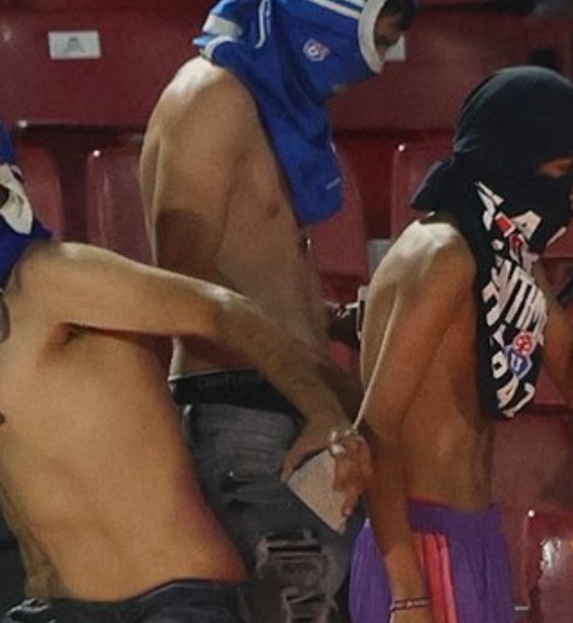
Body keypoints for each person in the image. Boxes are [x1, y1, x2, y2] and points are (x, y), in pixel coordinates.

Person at [141, 0, 418, 623]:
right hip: (241, 411)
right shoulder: (212, 97)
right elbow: (185, 292)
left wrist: (332, 330)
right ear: (335, 6)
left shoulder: (272, 108)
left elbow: (251, 278)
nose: (379, 65)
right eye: (379, 39)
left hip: (293, 409)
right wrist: (314, 393)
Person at [0, 120, 370, 623]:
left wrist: (323, 412)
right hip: (56, 607)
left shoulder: (48, 278)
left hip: (172, 602)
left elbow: (224, 311)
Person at [349, 68, 573, 623]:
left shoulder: (509, 255)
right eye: (565, 170)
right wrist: (407, 595)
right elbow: (374, 433)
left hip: (475, 537)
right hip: (420, 543)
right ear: (513, 157)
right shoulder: (442, 256)